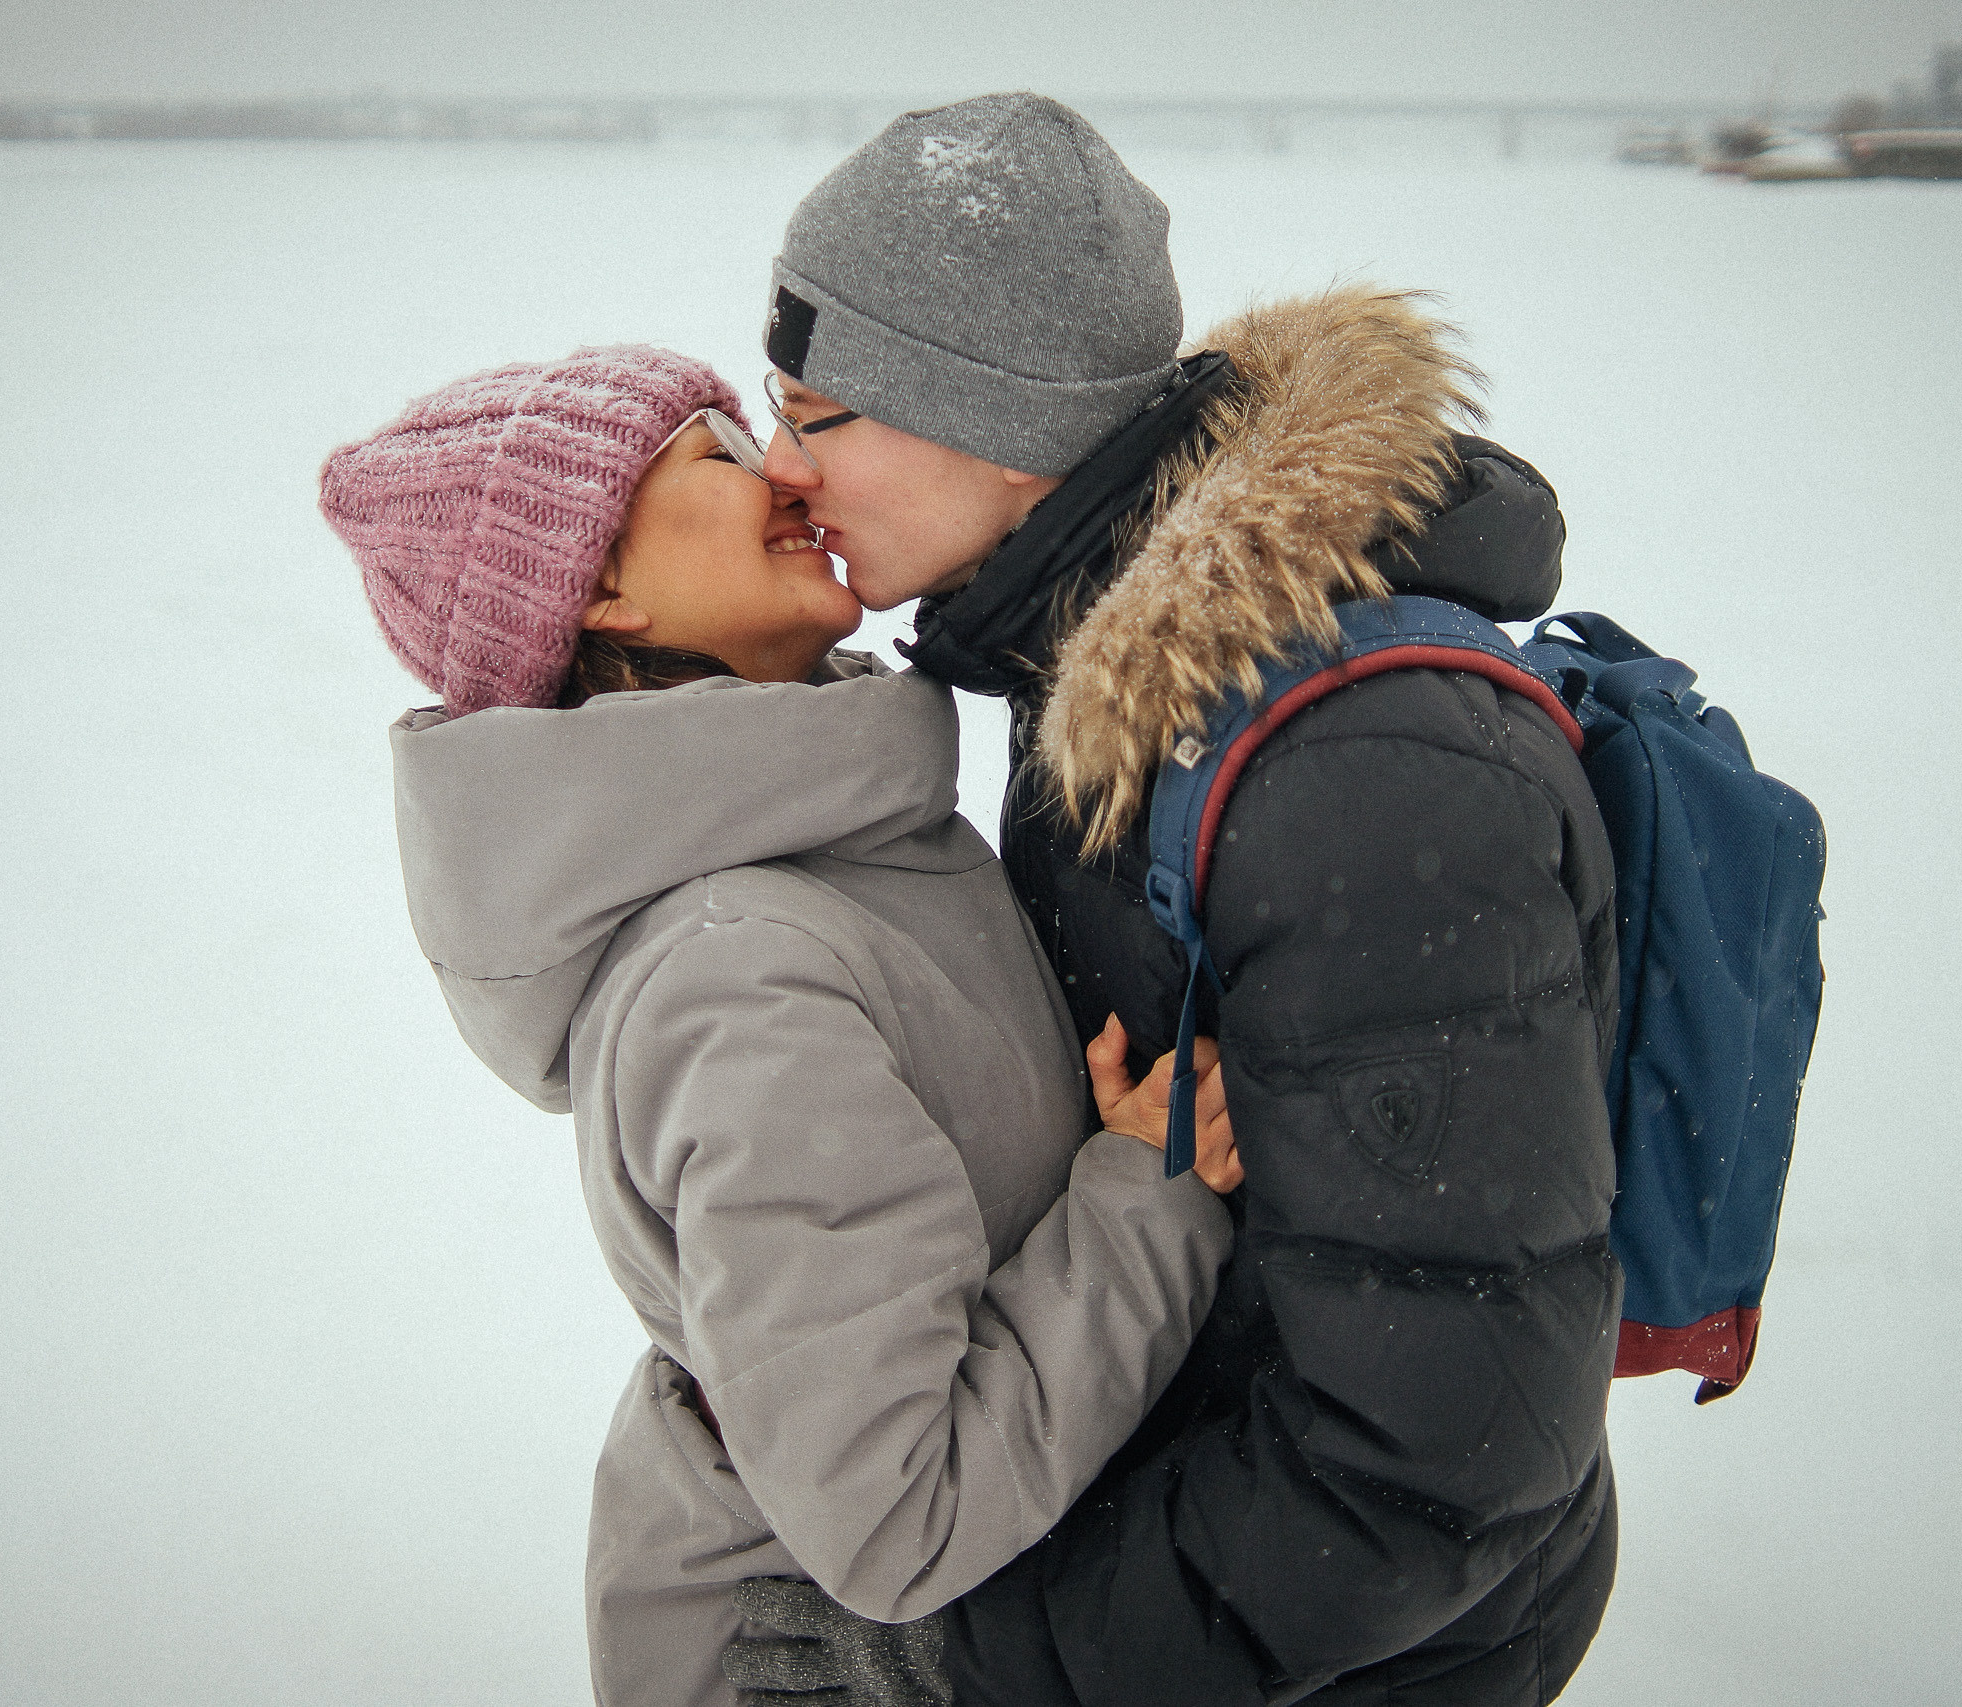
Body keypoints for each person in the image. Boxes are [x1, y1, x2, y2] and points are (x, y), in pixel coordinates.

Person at [730, 94, 1624, 1706]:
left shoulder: (1361, 777)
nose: (782, 476)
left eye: (820, 415)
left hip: (1359, 1659)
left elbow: (1441, 1452)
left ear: (992, 421)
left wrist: (973, 1666)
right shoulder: (1099, 663)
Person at [317, 346, 1247, 1707]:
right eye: (718, 453)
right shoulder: (738, 976)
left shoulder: (832, 855)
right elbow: (899, 1509)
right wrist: (1142, 1203)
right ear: (608, 590)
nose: (787, 472)